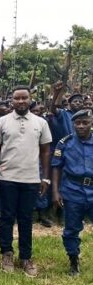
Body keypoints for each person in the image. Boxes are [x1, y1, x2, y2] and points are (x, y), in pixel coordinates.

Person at [0, 86, 52, 277]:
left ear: (30, 99)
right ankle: (6, 254)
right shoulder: (1, 122)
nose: (20, 101)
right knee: (7, 217)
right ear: (11, 100)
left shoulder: (40, 123)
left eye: (24, 98)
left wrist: (45, 177)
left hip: (31, 179)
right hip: (7, 177)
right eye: (16, 98)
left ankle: (26, 257)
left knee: (26, 219)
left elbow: (45, 151)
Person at [51, 109, 93, 276]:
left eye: (85, 123)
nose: (81, 126)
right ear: (73, 124)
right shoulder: (65, 142)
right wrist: (55, 191)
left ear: (91, 123)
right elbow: (56, 167)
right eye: (78, 123)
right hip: (73, 190)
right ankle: (73, 261)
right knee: (71, 228)